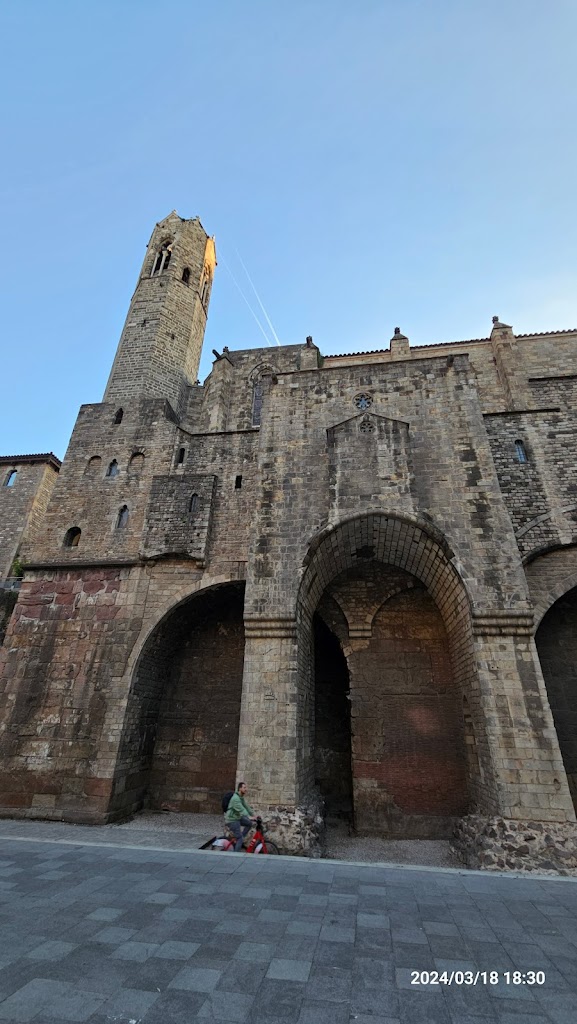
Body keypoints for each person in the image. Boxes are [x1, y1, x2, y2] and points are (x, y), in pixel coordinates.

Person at [224, 782, 256, 852]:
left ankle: (240, 837)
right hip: (232, 820)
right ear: (240, 788)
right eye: (244, 788)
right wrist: (249, 816)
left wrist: (253, 815)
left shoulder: (240, 797)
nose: (246, 789)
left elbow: (246, 806)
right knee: (240, 839)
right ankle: (236, 855)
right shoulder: (236, 798)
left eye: (246, 788)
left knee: (249, 823)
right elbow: (242, 809)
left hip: (237, 817)